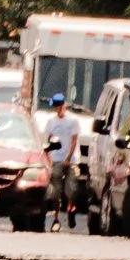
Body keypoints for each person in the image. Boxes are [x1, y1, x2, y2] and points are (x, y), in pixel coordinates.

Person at [43, 94, 84, 232]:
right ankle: (56, 219)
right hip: (56, 159)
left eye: (57, 106)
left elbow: (74, 140)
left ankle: (71, 207)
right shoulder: (51, 121)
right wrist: (48, 156)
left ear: (63, 106)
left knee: (71, 188)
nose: (56, 109)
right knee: (56, 191)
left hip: (71, 160)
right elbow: (47, 140)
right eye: (54, 107)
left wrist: (68, 158)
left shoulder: (73, 121)